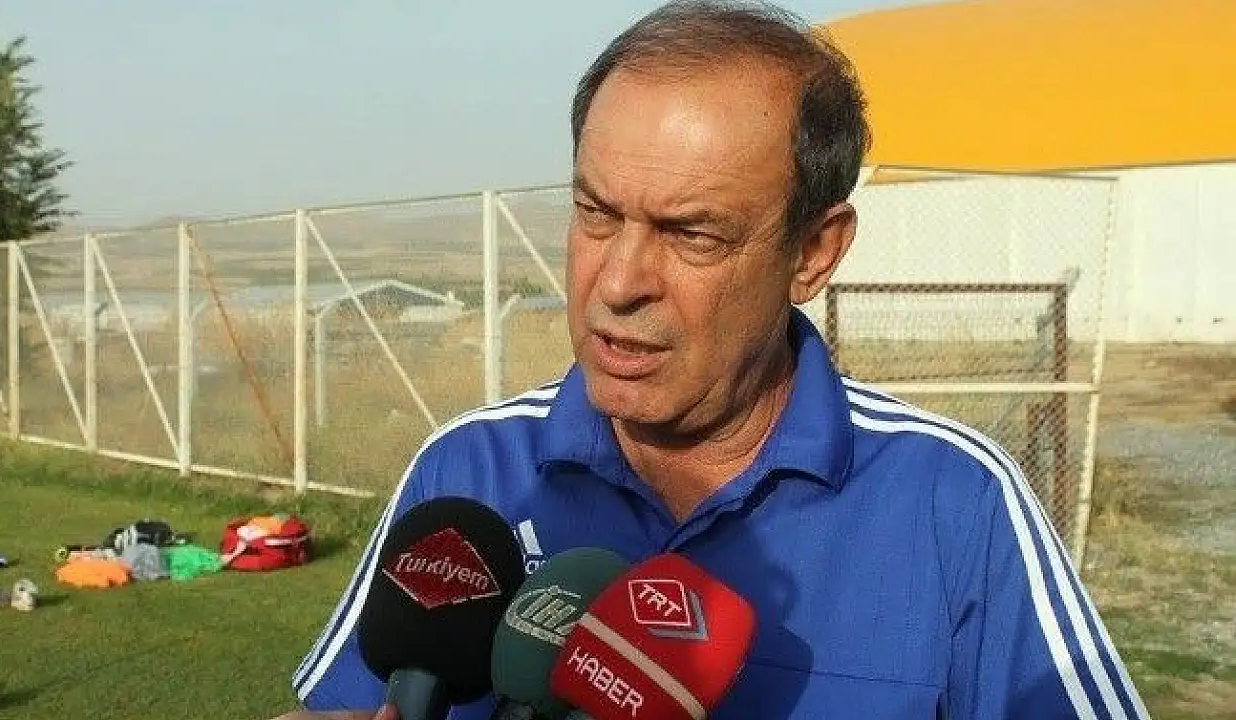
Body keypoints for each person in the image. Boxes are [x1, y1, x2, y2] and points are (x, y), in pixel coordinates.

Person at [273, 1, 1147, 718]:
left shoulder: (955, 503)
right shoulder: (467, 471)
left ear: (813, 252)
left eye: (692, 234)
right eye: (596, 214)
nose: (618, 282)